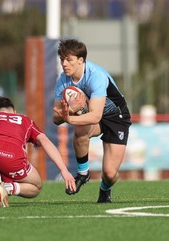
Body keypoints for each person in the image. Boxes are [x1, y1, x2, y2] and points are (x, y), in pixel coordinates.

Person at [53, 39, 131, 203]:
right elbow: (56, 118)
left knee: (110, 174)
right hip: (97, 117)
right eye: (62, 60)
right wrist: (67, 114)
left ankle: (105, 189)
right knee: (80, 129)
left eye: (69, 60)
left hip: (117, 117)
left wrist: (70, 118)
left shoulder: (96, 76)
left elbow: (95, 115)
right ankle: (83, 173)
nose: (64, 64)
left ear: (81, 60)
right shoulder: (63, 81)